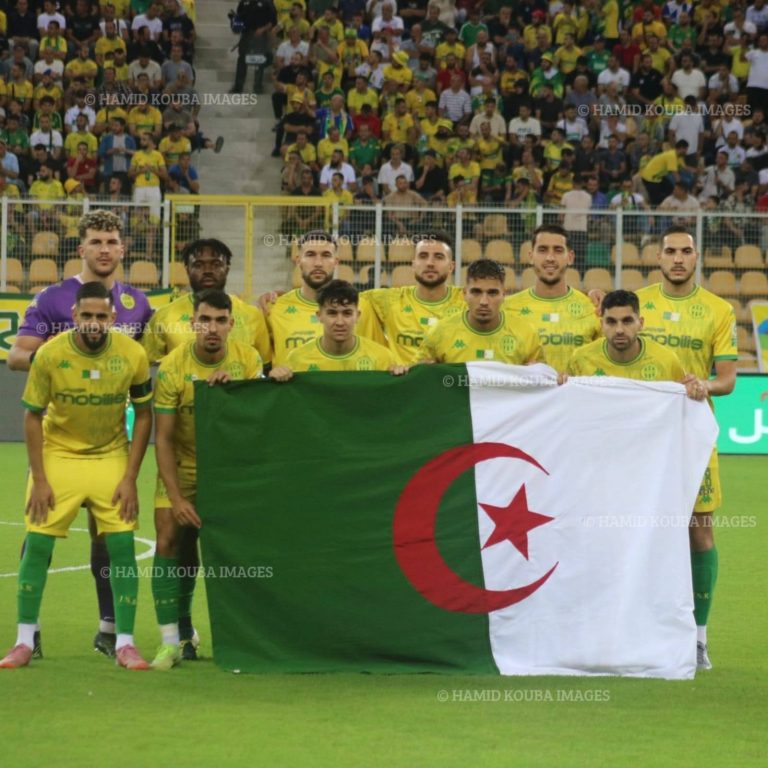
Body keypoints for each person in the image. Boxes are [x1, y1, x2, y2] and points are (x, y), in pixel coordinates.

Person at [8, 210, 152, 659]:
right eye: (96, 242)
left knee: (108, 539)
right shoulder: (52, 299)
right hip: (62, 438)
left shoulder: (138, 304)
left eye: (111, 242)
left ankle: (110, 631)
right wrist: (66, 362)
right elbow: (16, 357)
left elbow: (146, 360)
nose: (104, 250)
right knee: (40, 529)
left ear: (123, 249)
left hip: (112, 434)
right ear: (81, 248)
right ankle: (29, 635)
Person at [636, 226, 737, 671]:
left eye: (686, 251)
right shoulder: (637, 303)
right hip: (641, 437)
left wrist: (704, 386)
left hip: (693, 436)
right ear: (658, 258)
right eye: (670, 251)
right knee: (635, 528)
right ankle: (638, 629)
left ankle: (698, 638)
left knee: (699, 531)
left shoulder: (718, 309)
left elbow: (727, 380)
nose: (678, 258)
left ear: (697, 258)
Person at [150, 289, 263, 669]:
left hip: (230, 470)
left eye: (220, 321)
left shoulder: (248, 360)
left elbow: (256, 423)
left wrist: (233, 394)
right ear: (193, 323)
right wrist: (177, 498)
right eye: (205, 320)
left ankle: (245, 639)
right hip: (183, 466)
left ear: (231, 324)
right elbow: (163, 439)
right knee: (169, 540)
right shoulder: (172, 367)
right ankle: (171, 641)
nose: (212, 328)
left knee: (237, 550)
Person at [356, 231, 466, 364]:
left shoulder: (467, 300)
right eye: (423, 256)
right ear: (413, 265)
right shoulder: (389, 301)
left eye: (439, 257)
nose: (430, 263)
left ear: (451, 266)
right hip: (401, 376)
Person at [504, 225, 600, 373]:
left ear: (570, 257)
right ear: (531, 256)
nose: (550, 258)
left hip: (577, 389)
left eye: (558, 250)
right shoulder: (507, 308)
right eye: (542, 250)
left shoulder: (593, 307)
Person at [417, 259, 545, 364]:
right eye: (476, 292)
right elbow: (416, 374)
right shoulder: (439, 332)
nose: (484, 301)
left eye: (492, 293)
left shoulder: (527, 334)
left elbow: (543, 379)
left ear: (503, 295)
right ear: (465, 294)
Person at [269, 280, 401, 378]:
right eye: (332, 313)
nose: (340, 322)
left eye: (347, 313)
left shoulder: (383, 358)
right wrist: (275, 379)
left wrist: (402, 375)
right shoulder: (297, 359)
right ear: (319, 316)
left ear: (358, 316)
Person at [566, 289, 688, 381]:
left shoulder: (667, 361)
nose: (619, 330)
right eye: (611, 322)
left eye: (627, 321)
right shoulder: (580, 360)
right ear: (602, 325)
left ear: (641, 323)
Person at [266, 230, 340, 366]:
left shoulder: (357, 308)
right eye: (310, 255)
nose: (318, 263)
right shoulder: (274, 308)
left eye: (326, 255)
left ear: (336, 262)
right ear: (298, 261)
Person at [231, 0, 277, 94]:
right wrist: (236, 25)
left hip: (260, 35)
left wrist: (262, 29)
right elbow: (239, 17)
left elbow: (273, 21)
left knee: (259, 60)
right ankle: (238, 87)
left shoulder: (267, 2)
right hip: (245, 34)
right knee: (242, 59)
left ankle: (258, 87)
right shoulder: (244, 2)